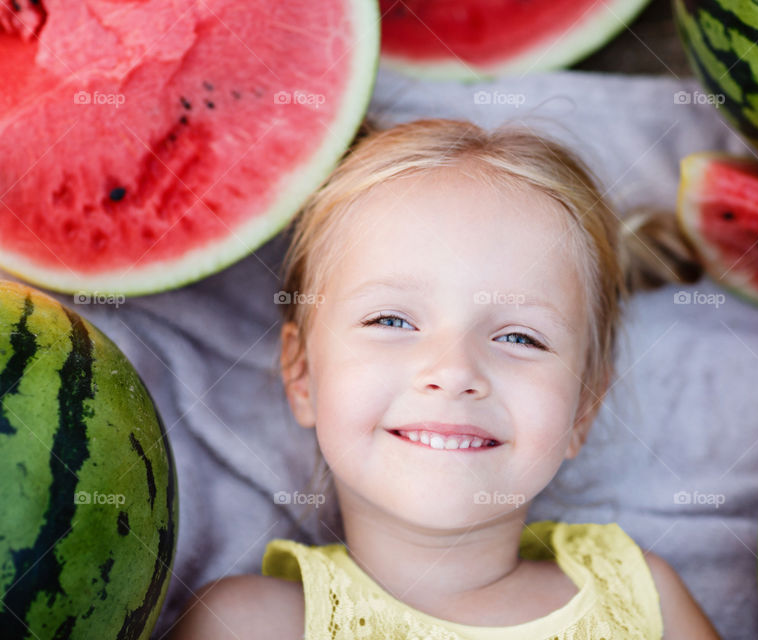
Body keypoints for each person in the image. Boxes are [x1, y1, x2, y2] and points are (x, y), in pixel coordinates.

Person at [168, 117, 718, 639]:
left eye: (520, 337)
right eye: (391, 320)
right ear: (304, 374)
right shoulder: (252, 625)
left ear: (584, 407)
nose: (454, 372)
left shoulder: (645, 601)